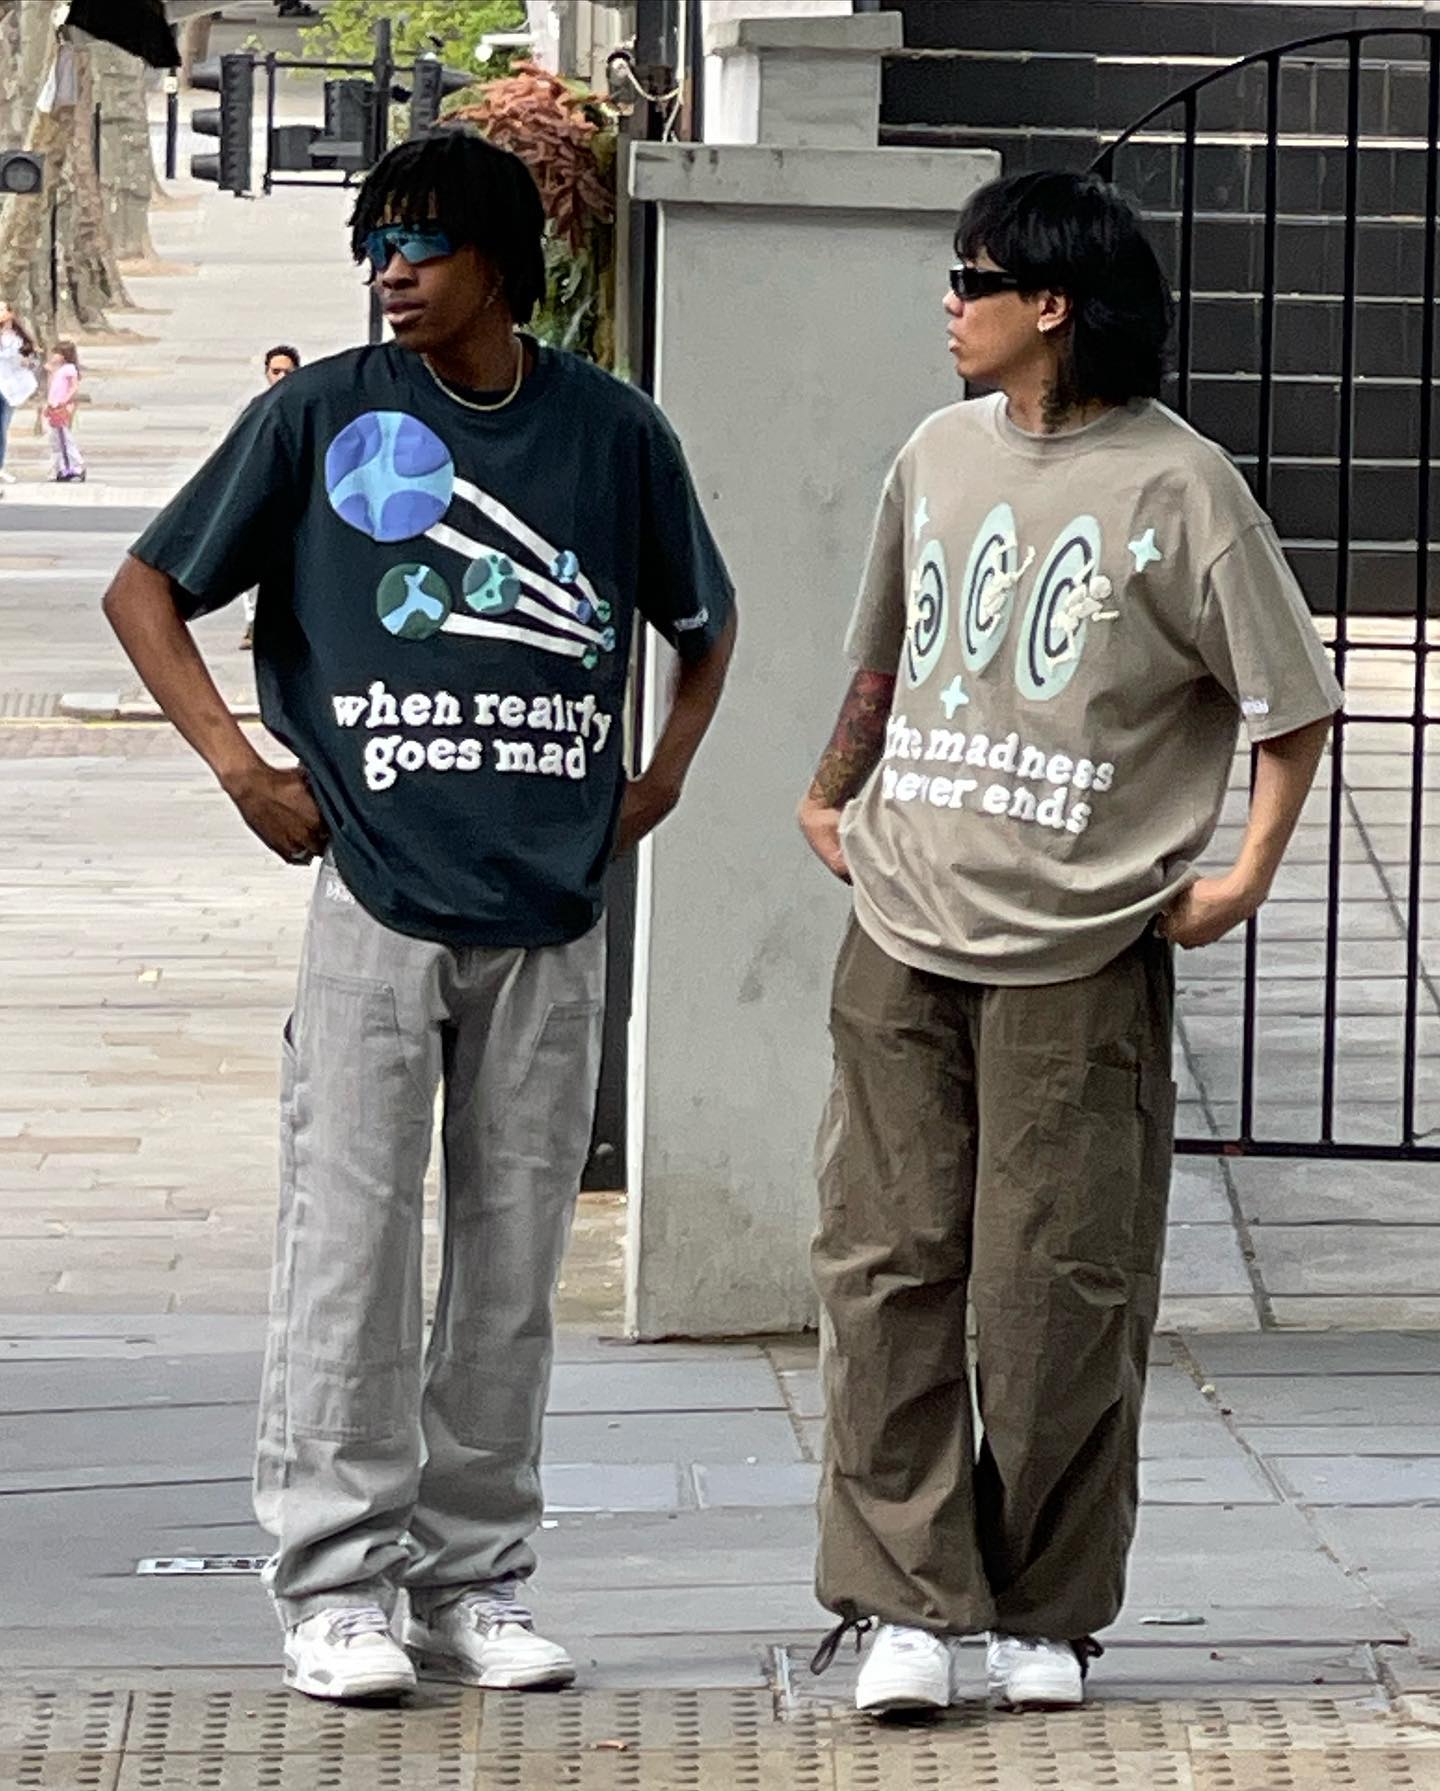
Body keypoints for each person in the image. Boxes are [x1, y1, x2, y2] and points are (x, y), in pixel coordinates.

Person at [102, 126, 735, 1704]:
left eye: (420, 244)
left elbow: (703, 617)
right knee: (352, 1246)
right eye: (374, 245)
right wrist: (242, 767)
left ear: (499, 262)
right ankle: (335, 1586)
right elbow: (145, 589)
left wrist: (656, 778)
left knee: (513, 1266)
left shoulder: (611, 431)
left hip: (549, 906)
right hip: (377, 895)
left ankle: (476, 1579)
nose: (389, 271)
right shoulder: (320, 413)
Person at [799, 170, 1340, 1720]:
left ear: (1052, 304)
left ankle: (1043, 1606)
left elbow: (1290, 705)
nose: (947, 304)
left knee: (1058, 1291)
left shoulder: (1184, 486)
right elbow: (888, 649)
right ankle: (905, 1601)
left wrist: (1240, 878)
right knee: (886, 1265)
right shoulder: (936, 453)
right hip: (904, 923)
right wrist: (831, 791)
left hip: (1080, 943)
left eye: (969, 280)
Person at [240, 346, 303, 649]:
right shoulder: (257, 409)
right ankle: (253, 624)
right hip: (261, 499)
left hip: (294, 501)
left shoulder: (305, 406)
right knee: (252, 568)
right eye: (275, 371)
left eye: (287, 372)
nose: (280, 377)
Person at [0, 301, 38, 486]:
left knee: (2, 428)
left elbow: (33, 360)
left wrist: (28, 362)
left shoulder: (20, 338)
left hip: (10, 389)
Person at [44, 341, 85, 484]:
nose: (54, 356)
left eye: (57, 353)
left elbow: (74, 387)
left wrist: (65, 400)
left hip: (62, 407)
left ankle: (76, 467)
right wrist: (50, 372)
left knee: (64, 439)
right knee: (55, 440)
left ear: (64, 355)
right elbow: (51, 389)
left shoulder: (69, 368)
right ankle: (61, 468)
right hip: (54, 406)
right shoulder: (58, 370)